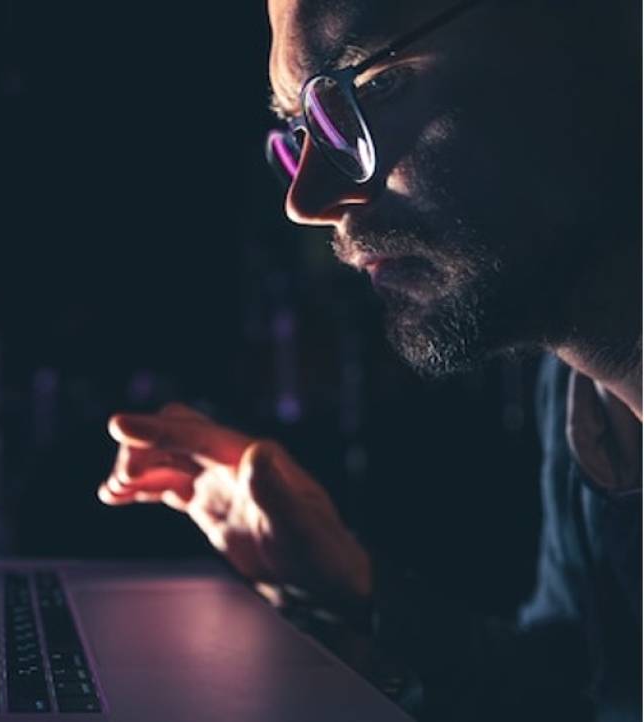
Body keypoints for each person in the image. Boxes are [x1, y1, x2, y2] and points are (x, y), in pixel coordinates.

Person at [98, 1, 641, 720]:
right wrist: (348, 586)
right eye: (303, 130)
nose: (311, 199)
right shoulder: (576, 388)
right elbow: (575, 692)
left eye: (375, 89)